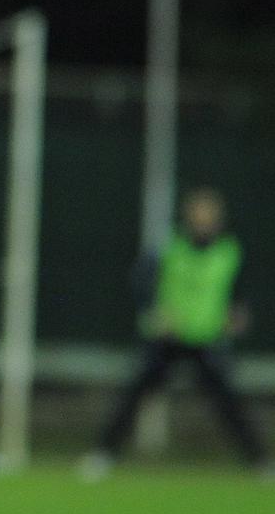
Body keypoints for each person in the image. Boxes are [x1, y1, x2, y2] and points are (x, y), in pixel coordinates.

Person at [80, 187, 270, 479]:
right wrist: (156, 311)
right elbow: (141, 281)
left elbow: (240, 292)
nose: (203, 221)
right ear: (188, 217)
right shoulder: (169, 246)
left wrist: (238, 312)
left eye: (209, 216)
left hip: (208, 337)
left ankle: (259, 462)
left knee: (229, 404)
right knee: (135, 395)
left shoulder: (230, 251)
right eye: (199, 215)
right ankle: (103, 455)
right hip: (169, 337)